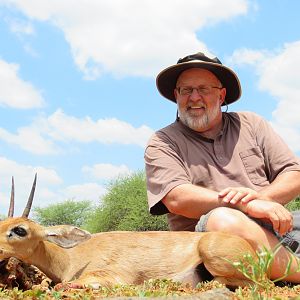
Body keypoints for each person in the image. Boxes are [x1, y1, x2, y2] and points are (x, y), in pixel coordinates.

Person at [144, 52, 300, 282]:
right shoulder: (162, 141)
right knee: (223, 220)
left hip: (277, 225)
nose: (194, 97)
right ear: (176, 95)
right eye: (186, 90)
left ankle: (282, 267)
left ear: (221, 94)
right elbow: (176, 198)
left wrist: (261, 199)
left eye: (204, 89)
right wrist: (246, 206)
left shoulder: (251, 124)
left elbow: (293, 174)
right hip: (213, 241)